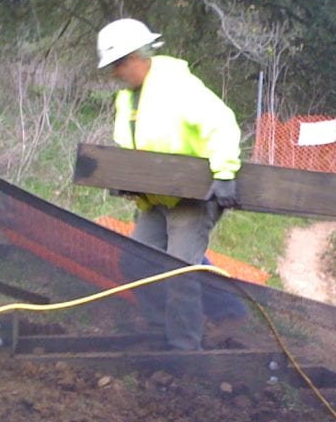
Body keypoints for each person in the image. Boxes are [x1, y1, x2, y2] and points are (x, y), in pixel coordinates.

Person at [97, 18, 241, 350]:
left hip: (192, 199)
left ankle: (184, 349)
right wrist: (125, 179)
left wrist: (224, 173)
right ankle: (164, 326)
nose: (114, 73)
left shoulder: (177, 86)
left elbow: (221, 123)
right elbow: (135, 148)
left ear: (137, 57)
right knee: (135, 262)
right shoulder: (128, 99)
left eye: (118, 65)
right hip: (154, 200)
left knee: (179, 273)